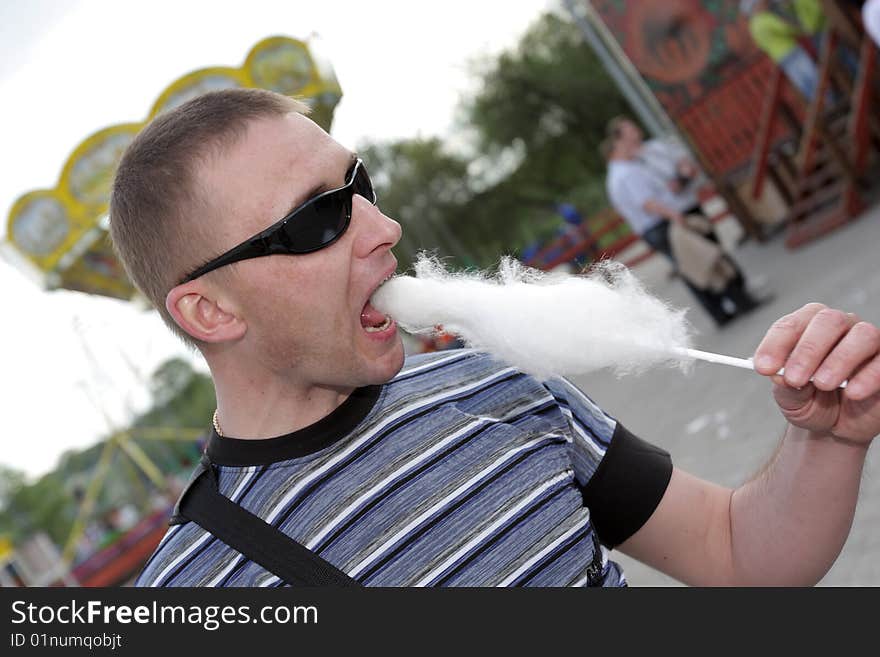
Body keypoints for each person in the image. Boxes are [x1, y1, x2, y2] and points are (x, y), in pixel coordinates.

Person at [111, 88, 880, 587]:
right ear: (209, 311)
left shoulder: (493, 385)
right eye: (319, 218)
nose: (384, 228)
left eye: (362, 187)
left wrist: (827, 441)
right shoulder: (197, 588)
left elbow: (736, 554)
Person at [603, 118, 762, 327]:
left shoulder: (628, 167)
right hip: (663, 222)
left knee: (695, 263)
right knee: (704, 259)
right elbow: (647, 202)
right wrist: (674, 215)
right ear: (617, 144)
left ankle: (722, 311)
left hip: (665, 220)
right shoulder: (625, 173)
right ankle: (737, 301)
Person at [741, 0, 827, 102]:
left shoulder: (752, 28)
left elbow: (761, 46)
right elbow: (783, 27)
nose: (763, 4)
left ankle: (818, 103)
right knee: (812, 75)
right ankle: (827, 98)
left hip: (780, 58)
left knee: (802, 81)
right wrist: (801, 30)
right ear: (754, 7)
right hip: (791, 51)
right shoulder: (763, 18)